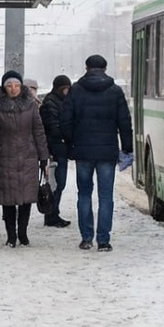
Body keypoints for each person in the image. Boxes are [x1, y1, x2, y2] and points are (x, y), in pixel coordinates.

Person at [61, 54, 133, 252]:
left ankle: (86, 238)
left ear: (86, 68)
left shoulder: (75, 90)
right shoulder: (115, 91)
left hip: (83, 151)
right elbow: (124, 122)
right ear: (105, 68)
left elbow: (66, 120)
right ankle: (103, 240)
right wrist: (127, 147)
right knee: (105, 196)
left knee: (84, 194)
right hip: (107, 151)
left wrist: (71, 142)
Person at [0, 70, 49, 248]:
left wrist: (43, 157)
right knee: (8, 199)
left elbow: (38, 131)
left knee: (26, 198)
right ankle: (11, 235)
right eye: (9, 86)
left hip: (28, 157)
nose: (13, 89)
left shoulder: (30, 105)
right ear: (4, 87)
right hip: (5, 158)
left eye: (16, 85)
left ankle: (23, 232)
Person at [38, 74, 73, 228]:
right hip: (55, 148)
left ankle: (53, 212)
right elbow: (53, 127)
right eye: (63, 88)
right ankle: (51, 214)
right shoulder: (51, 103)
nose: (66, 91)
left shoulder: (62, 101)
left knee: (59, 183)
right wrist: (67, 135)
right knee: (56, 183)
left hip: (60, 147)